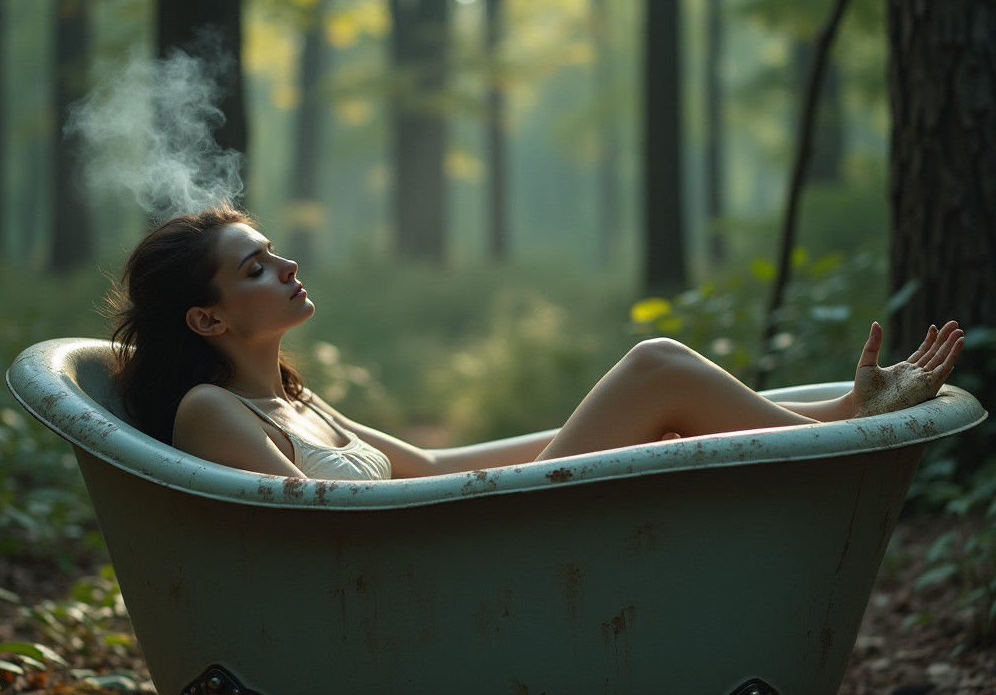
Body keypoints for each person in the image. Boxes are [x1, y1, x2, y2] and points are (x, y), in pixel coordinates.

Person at [109, 205, 965, 481]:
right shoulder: (211, 411)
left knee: (659, 400)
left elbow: (438, 470)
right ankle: (851, 433)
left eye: (273, 252)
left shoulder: (286, 397)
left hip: (446, 539)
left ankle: (851, 414)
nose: (287, 264)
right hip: (415, 584)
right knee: (656, 365)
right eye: (255, 268)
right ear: (207, 319)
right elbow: (324, 543)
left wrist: (602, 434)